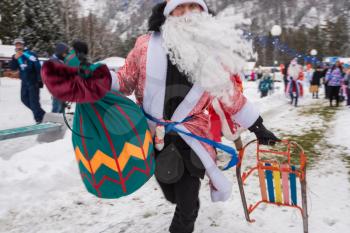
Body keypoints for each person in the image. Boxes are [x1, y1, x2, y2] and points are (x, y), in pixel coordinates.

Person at [104, 1, 279, 232]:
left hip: (192, 136)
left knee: (188, 205)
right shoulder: (145, 46)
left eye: (193, 8)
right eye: (181, 7)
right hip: (154, 135)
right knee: (172, 192)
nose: (187, 15)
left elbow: (230, 95)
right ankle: (178, 195)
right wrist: (98, 78)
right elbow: (125, 81)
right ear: (169, 12)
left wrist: (258, 128)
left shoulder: (212, 54)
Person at [10, 38, 45, 123]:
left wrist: (40, 80)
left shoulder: (30, 54)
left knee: (34, 102)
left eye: (20, 44)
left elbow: (38, 67)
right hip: (24, 82)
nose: (18, 46)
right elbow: (13, 68)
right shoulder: (16, 56)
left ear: (23, 45)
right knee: (24, 99)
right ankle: (42, 114)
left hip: (33, 82)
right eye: (16, 45)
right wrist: (14, 59)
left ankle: (39, 119)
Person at [50, 43, 70, 113]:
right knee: (56, 108)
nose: (66, 55)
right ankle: (52, 122)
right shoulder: (54, 61)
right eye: (65, 53)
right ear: (60, 52)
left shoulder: (61, 61)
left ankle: (61, 122)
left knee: (62, 108)